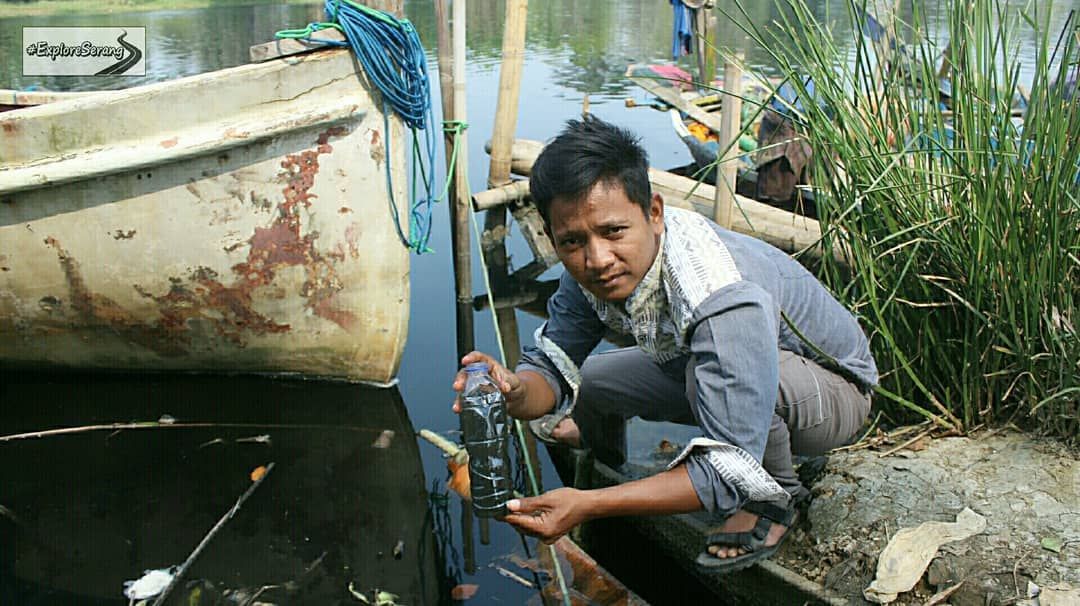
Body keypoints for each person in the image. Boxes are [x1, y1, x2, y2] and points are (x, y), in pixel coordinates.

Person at [451, 115, 877, 572]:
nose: (597, 259)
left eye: (614, 232)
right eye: (572, 241)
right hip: (710, 364)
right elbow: (551, 370)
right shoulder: (589, 272)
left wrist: (591, 504)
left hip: (834, 395)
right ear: (554, 237)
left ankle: (777, 497)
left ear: (654, 212)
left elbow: (728, 470)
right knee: (590, 380)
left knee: (711, 398)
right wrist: (514, 390)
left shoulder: (716, 289)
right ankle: (606, 454)